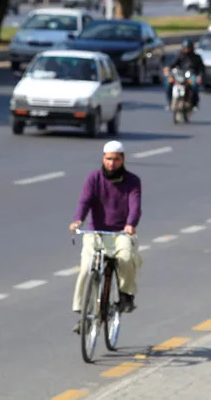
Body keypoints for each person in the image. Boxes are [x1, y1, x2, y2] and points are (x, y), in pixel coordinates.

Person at [69, 141, 142, 334]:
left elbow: (135, 206)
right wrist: (78, 220)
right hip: (96, 232)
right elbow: (84, 201)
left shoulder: (132, 180)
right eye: (108, 159)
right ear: (103, 158)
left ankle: (126, 295)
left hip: (121, 233)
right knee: (86, 268)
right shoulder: (94, 178)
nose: (112, 163)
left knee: (126, 258)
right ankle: (82, 311)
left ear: (123, 159)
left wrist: (130, 224)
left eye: (116, 159)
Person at [163, 39, 205, 112]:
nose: (186, 50)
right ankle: (170, 103)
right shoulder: (180, 55)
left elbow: (202, 69)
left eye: (188, 48)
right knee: (168, 84)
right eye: (185, 48)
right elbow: (173, 63)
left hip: (191, 75)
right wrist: (168, 68)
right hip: (180, 75)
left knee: (194, 85)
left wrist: (199, 77)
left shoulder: (196, 57)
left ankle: (194, 104)